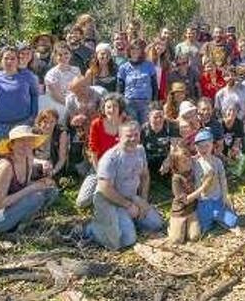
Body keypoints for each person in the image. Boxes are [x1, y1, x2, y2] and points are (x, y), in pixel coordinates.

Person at [86, 121, 164, 250]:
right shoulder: (110, 158)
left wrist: (143, 200)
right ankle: (93, 228)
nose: (133, 139)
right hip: (110, 201)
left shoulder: (140, 150)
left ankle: (127, 221)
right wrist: (128, 206)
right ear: (119, 137)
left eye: (136, 135)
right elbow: (104, 188)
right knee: (127, 240)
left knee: (156, 224)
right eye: (128, 136)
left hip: (131, 197)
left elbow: (145, 175)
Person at [0, 126, 58, 233]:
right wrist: (32, 188)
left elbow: (23, 186)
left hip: (7, 210)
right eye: (21, 141)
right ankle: (19, 223)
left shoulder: (28, 158)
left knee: (51, 190)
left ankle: (22, 219)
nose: (26, 144)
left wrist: (41, 183)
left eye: (29, 141)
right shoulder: (6, 167)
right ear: (12, 145)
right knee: (35, 198)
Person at [0, 46, 40, 140]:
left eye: (13, 58)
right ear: (1, 60)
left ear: (17, 60)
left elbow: (34, 96)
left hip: (22, 123)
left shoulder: (28, 77)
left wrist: (33, 116)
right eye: (6, 58)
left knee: (20, 152)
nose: (9, 61)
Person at [76, 94, 126, 208]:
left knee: (123, 197)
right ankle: (102, 192)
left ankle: (107, 194)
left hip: (120, 168)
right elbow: (93, 151)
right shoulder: (96, 124)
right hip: (99, 167)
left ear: (120, 108)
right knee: (82, 202)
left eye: (115, 106)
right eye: (108, 107)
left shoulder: (125, 124)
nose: (111, 110)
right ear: (103, 108)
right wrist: (100, 174)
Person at [193, 130, 240, 236]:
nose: (203, 149)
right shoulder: (195, 163)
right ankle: (213, 221)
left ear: (212, 146)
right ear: (196, 148)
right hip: (203, 201)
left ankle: (221, 219)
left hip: (217, 199)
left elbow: (223, 180)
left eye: (206, 146)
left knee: (232, 221)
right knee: (202, 226)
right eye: (200, 146)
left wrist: (225, 196)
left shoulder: (217, 162)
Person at [164, 143, 201, 244]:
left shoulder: (192, 170)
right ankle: (172, 226)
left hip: (192, 211)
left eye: (189, 159)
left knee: (194, 237)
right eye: (184, 162)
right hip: (179, 212)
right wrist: (201, 189)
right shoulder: (176, 179)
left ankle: (186, 227)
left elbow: (198, 157)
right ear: (176, 165)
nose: (188, 162)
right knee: (176, 240)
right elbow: (184, 200)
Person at [117, 39, 158, 125]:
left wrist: (154, 102)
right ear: (129, 50)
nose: (135, 51)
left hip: (146, 102)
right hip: (129, 103)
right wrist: (121, 105)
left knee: (145, 127)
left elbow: (154, 85)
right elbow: (120, 88)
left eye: (138, 49)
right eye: (132, 48)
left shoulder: (149, 66)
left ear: (141, 51)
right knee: (132, 127)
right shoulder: (123, 67)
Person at [42, 43, 81, 121]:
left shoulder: (76, 70)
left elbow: (80, 88)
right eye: (60, 54)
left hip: (75, 102)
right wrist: (72, 107)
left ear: (70, 54)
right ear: (55, 57)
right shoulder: (51, 74)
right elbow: (57, 96)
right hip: (59, 104)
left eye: (66, 53)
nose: (63, 57)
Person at [142, 103, 179, 174]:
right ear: (149, 117)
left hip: (166, 158)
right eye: (155, 117)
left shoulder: (171, 127)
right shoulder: (143, 130)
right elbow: (140, 150)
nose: (159, 120)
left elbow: (174, 147)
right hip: (149, 159)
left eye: (161, 117)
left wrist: (168, 161)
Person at [32, 108, 70, 178]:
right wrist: (41, 162)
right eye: (45, 122)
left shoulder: (61, 133)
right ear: (39, 122)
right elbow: (28, 156)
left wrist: (53, 172)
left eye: (52, 122)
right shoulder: (33, 133)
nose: (48, 126)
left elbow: (62, 159)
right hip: (35, 163)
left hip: (52, 167)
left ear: (56, 122)